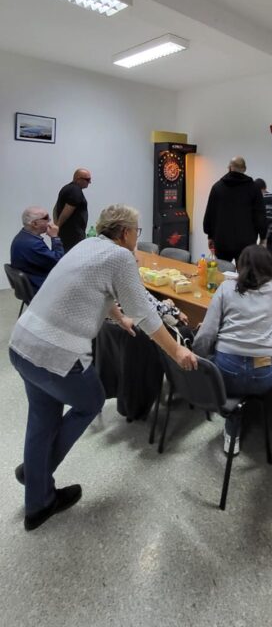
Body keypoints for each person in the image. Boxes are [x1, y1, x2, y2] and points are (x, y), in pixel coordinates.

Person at [9, 204, 197, 531]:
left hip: (24, 342)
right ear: (124, 233)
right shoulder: (121, 256)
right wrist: (177, 349)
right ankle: (37, 476)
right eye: (137, 231)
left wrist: (119, 317)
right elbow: (145, 313)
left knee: (42, 420)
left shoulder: (88, 245)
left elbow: (95, 289)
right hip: (56, 353)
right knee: (91, 401)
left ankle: (38, 499)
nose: (137, 236)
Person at [193, 245, 272, 455]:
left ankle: (232, 430)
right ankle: (240, 408)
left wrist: (196, 358)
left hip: (227, 373)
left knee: (219, 366)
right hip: (264, 376)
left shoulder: (226, 288)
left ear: (239, 266)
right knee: (252, 374)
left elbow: (207, 334)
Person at [203, 156, 267, 263]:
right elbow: (260, 215)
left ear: (229, 167)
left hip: (222, 241)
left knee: (223, 271)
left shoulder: (217, 187)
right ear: (244, 169)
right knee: (244, 272)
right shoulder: (254, 188)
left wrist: (210, 235)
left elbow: (210, 214)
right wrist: (263, 237)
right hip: (246, 243)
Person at [10, 207, 64, 291]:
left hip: (31, 279)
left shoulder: (22, 236)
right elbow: (59, 261)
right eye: (46, 218)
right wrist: (55, 237)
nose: (50, 220)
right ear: (35, 224)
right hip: (39, 286)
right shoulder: (33, 244)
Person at [54, 168, 92, 252]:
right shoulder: (75, 190)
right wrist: (57, 226)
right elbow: (68, 210)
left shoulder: (66, 188)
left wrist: (57, 226)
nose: (89, 182)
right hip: (73, 235)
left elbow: (55, 208)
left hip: (67, 234)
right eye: (87, 179)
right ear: (78, 179)